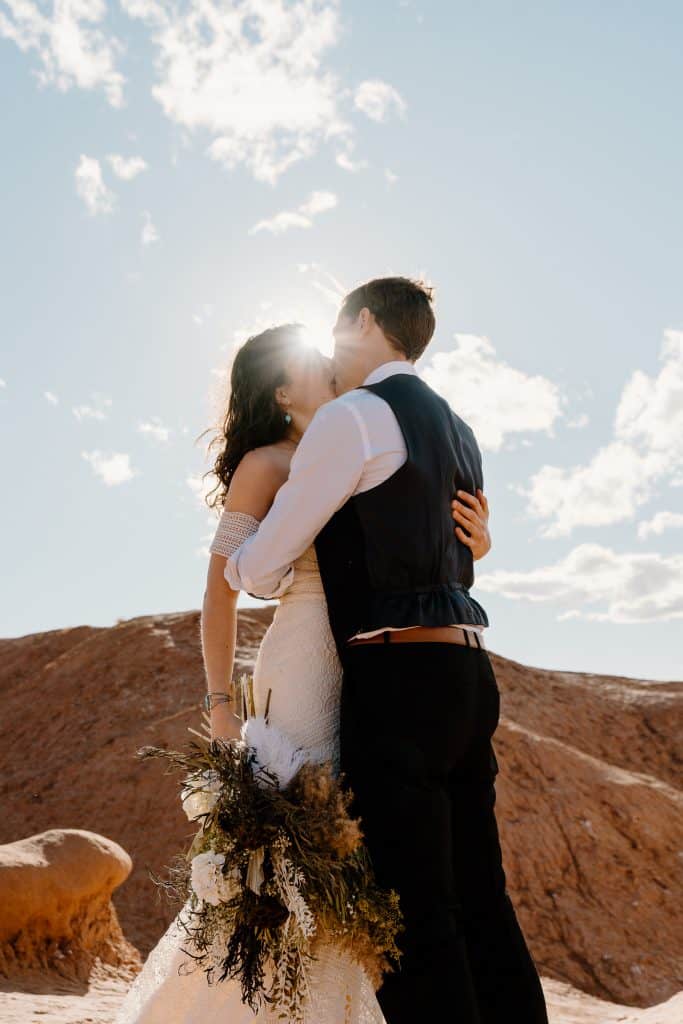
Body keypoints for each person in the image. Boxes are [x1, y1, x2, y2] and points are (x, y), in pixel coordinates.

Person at [115, 320, 491, 1024]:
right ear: (282, 390)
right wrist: (221, 700)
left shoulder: (362, 440)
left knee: (357, 847)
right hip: (304, 662)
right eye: (315, 362)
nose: (334, 364)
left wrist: (479, 536)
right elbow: (219, 591)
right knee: (293, 847)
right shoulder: (267, 463)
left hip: (377, 663)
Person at [224, 278, 549, 1024]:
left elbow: (265, 563)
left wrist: (242, 559)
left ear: (364, 321)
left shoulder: (353, 417)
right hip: (469, 669)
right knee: (481, 894)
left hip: (399, 675)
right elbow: (450, 546)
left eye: (338, 327)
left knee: (412, 905)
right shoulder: (457, 427)